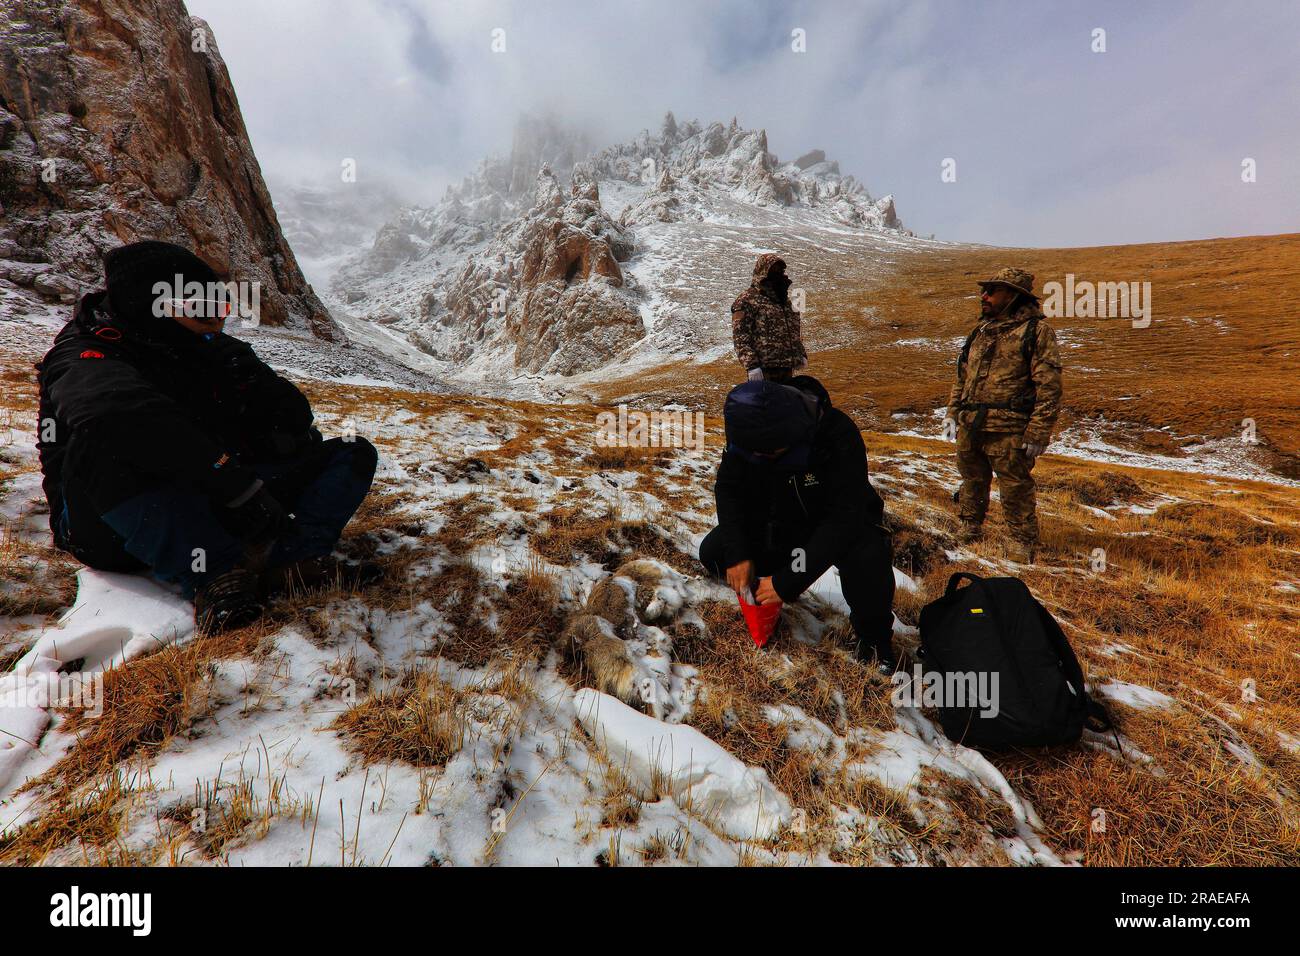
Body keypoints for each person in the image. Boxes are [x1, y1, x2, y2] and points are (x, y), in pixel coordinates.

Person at [35, 240, 378, 631]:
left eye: (221, 307)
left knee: (351, 451)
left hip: (207, 491)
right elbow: (113, 414)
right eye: (201, 309)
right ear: (153, 307)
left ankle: (293, 561)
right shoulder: (84, 352)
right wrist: (233, 482)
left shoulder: (206, 345)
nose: (216, 322)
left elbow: (297, 421)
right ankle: (215, 575)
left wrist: (254, 388)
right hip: (105, 522)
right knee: (102, 439)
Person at [698, 376, 897, 672]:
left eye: (767, 454)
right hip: (782, 524)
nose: (758, 460)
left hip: (838, 528)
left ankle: (875, 641)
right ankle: (764, 593)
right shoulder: (747, 435)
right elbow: (728, 489)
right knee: (716, 552)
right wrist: (738, 554)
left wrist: (789, 580)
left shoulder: (837, 434)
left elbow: (844, 519)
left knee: (867, 553)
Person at [947, 267, 1063, 564]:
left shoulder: (1036, 332)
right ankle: (969, 525)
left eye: (991, 291)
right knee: (971, 478)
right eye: (983, 290)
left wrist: (1039, 432)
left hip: (1010, 428)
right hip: (971, 425)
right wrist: (953, 414)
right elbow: (961, 377)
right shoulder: (980, 332)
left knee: (1015, 486)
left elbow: (1048, 386)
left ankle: (1021, 542)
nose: (983, 296)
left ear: (1013, 296)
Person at [730, 253, 808, 383]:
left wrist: (800, 353)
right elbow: (741, 337)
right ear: (763, 271)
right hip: (763, 371)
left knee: (786, 402)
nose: (779, 273)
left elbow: (794, 329)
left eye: (781, 270)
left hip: (787, 368)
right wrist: (752, 366)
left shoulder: (785, 301)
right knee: (765, 403)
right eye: (774, 270)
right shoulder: (746, 300)